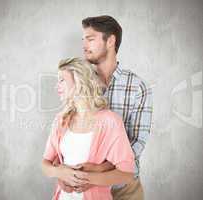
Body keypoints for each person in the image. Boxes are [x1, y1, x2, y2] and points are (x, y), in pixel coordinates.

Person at [58, 15, 153, 200]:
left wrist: (101, 169)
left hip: (124, 188)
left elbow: (139, 140)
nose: (84, 45)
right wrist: (63, 172)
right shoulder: (79, 81)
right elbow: (66, 132)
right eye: (83, 39)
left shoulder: (138, 86)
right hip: (83, 188)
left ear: (111, 41)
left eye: (91, 39)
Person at [42, 58, 135, 200]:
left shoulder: (110, 121)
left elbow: (126, 173)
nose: (57, 86)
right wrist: (60, 173)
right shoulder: (61, 120)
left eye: (62, 80)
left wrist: (88, 178)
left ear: (79, 82)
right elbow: (45, 165)